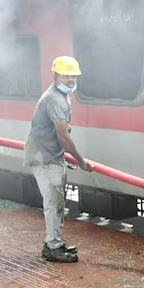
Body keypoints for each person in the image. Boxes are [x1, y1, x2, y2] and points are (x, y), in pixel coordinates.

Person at [25, 56, 92, 263]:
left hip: (51, 155)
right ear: (55, 76)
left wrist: (64, 155)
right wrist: (80, 160)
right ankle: (52, 246)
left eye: (73, 76)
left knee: (58, 202)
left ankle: (55, 241)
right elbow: (63, 136)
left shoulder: (62, 96)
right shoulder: (55, 99)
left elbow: (57, 135)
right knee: (53, 203)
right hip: (44, 158)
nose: (71, 80)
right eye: (66, 75)